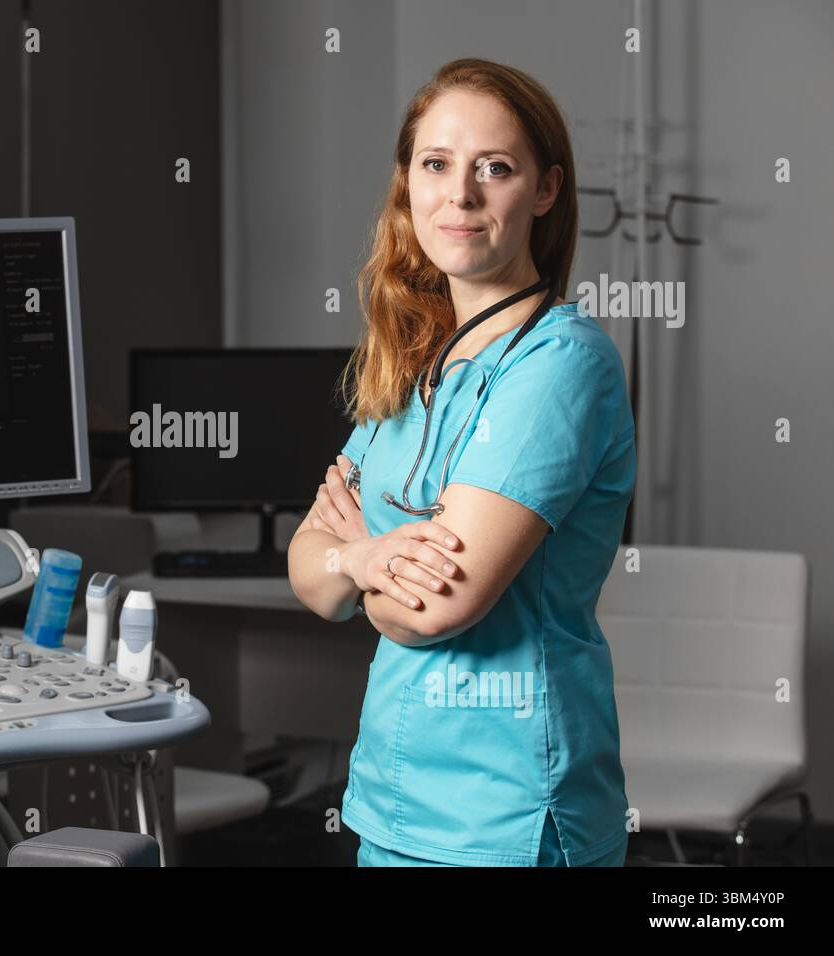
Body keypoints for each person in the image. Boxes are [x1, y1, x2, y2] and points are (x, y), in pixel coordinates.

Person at [287, 57, 635, 867]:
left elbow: (438, 608)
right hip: (393, 801)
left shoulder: (561, 364)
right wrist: (368, 557)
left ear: (544, 191)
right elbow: (306, 572)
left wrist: (355, 572)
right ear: (408, 183)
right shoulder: (412, 362)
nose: (462, 195)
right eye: (436, 164)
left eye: (496, 169)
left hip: (510, 814)